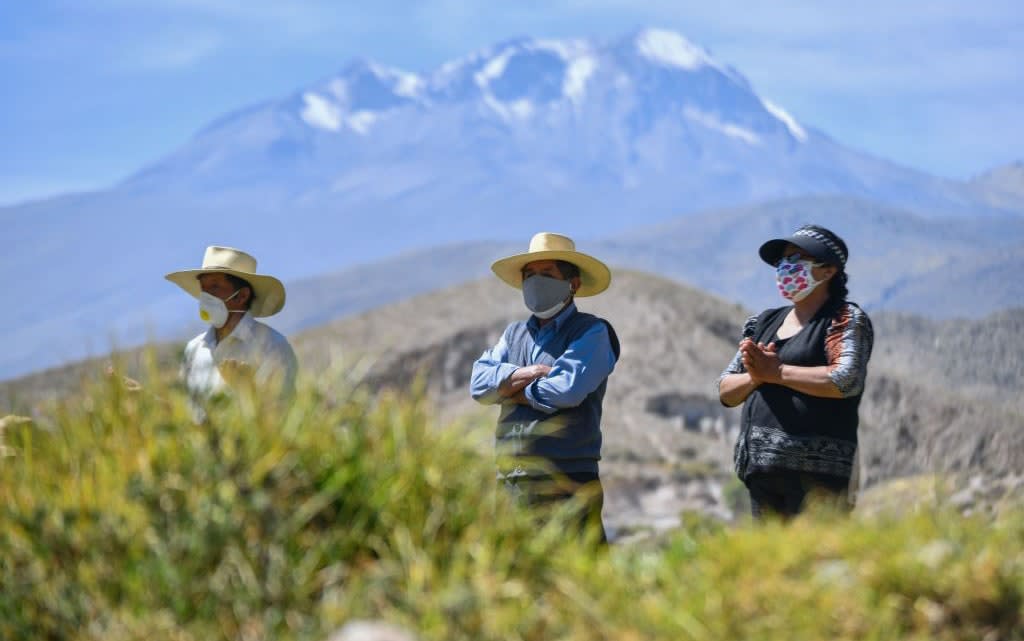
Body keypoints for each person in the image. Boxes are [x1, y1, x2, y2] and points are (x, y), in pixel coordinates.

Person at [470, 232, 620, 542]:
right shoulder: (514, 333)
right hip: (512, 479)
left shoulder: (592, 332)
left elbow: (565, 390)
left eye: (547, 274)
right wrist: (527, 373)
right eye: (530, 275)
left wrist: (509, 390)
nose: (536, 282)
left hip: (566, 480)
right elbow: (478, 384)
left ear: (573, 284)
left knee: (576, 578)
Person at [717, 225, 873, 519]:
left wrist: (777, 372)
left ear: (828, 270)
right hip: (761, 475)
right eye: (782, 261)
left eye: (797, 258)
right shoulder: (762, 322)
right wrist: (756, 376)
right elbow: (726, 389)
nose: (785, 268)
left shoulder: (845, 319)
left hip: (818, 482)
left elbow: (845, 380)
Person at [166, 246, 297, 421]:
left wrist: (248, 391)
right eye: (203, 289)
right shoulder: (194, 349)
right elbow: (185, 415)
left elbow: (284, 415)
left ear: (241, 296)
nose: (205, 296)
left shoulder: (273, 346)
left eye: (214, 287)